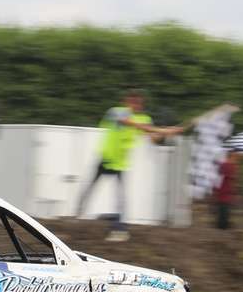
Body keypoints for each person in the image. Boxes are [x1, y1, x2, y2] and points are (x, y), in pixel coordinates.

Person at [76, 89, 183, 242]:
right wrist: (161, 130)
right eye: (133, 102)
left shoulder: (144, 119)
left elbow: (153, 138)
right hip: (105, 158)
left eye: (138, 103)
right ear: (125, 102)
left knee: (120, 197)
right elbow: (130, 123)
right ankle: (76, 217)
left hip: (120, 164)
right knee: (89, 188)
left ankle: (119, 230)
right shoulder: (116, 112)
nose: (136, 105)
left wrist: (169, 132)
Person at [213, 150, 242, 230]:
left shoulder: (233, 166)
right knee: (223, 208)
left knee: (226, 208)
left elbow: (235, 178)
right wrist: (216, 189)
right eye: (235, 157)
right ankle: (222, 225)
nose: (236, 158)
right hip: (223, 190)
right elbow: (219, 178)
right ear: (230, 156)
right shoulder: (224, 165)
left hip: (228, 191)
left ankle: (223, 225)